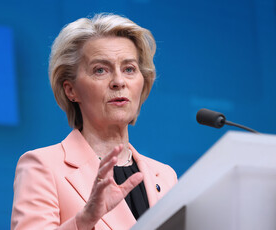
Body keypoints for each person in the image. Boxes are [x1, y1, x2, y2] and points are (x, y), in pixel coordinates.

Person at [11, 13, 177, 230]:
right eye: (101, 70)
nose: (119, 81)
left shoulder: (165, 176)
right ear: (70, 90)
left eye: (129, 69)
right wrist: (85, 220)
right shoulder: (42, 167)